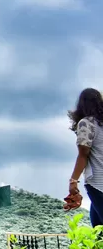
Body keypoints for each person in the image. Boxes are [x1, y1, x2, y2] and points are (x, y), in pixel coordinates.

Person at [66, 88, 103, 225]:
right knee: (98, 230)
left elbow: (83, 155)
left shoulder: (86, 123)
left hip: (97, 183)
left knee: (99, 229)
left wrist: (73, 181)